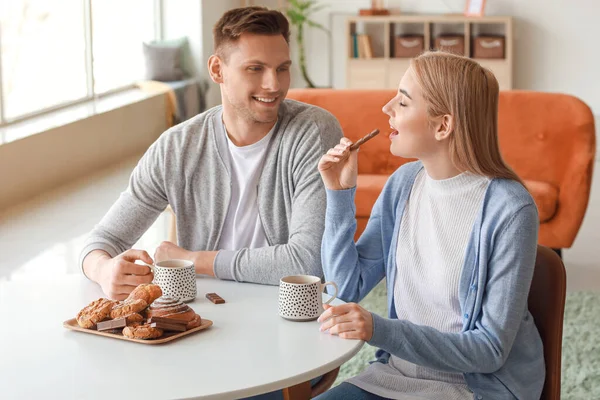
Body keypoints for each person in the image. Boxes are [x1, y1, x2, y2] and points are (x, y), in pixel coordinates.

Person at [315, 51, 544, 399]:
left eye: (403, 103)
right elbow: (344, 287)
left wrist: (379, 329)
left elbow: (490, 350)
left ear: (443, 126)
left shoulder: (510, 209)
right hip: (397, 374)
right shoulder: (404, 183)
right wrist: (338, 194)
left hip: (475, 387)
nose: (387, 108)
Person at [80, 6, 343, 300]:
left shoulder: (314, 132)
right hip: (204, 314)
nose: (274, 85)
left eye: (282, 68)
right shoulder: (176, 147)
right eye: (255, 69)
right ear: (217, 70)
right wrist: (104, 270)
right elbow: (102, 241)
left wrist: (194, 259)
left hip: (283, 309)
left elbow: (306, 262)